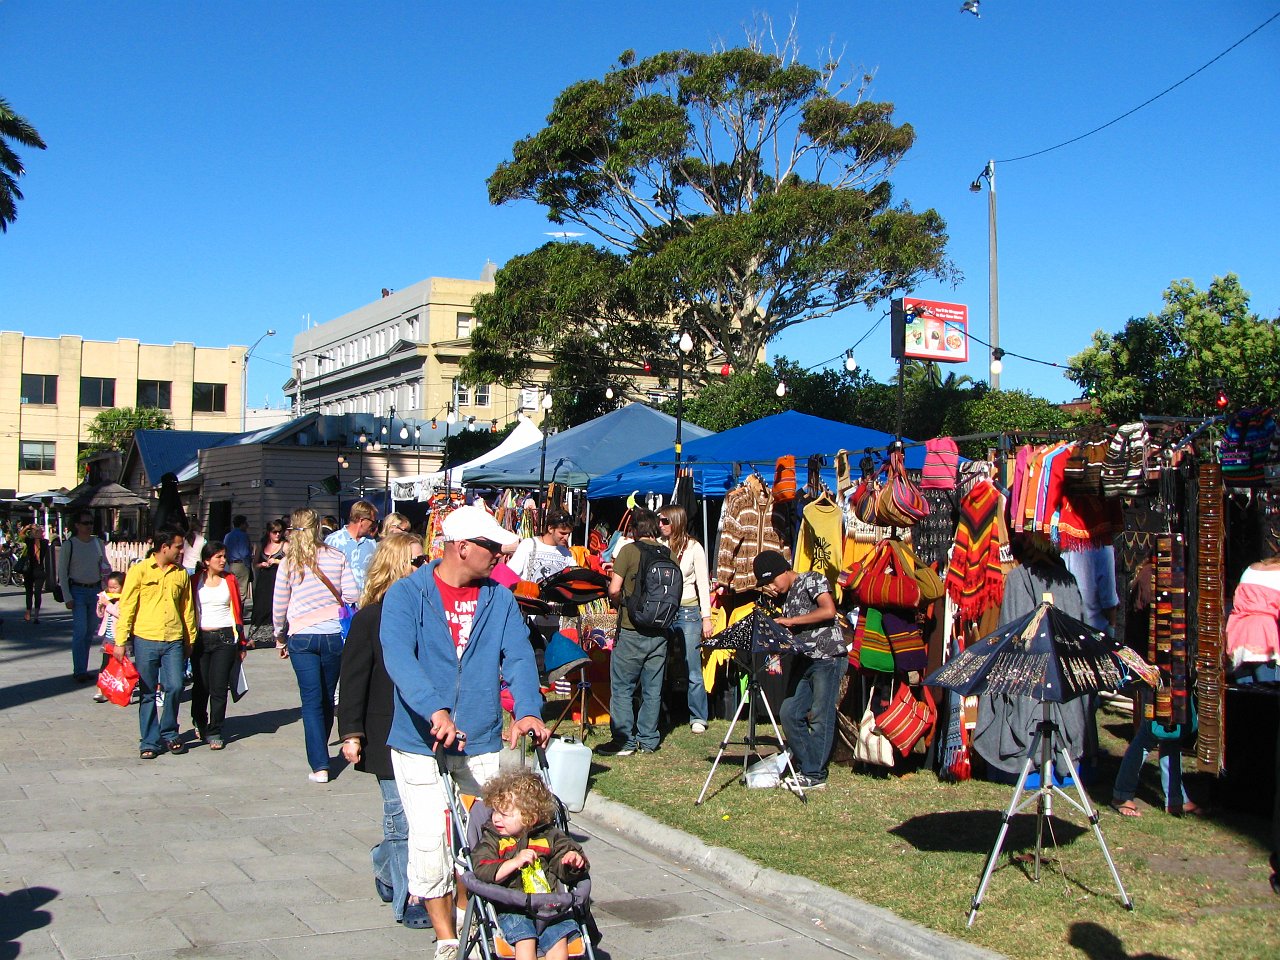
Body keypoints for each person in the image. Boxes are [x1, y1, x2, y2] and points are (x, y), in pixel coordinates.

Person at [380, 504, 548, 960]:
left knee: (482, 838)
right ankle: (446, 937)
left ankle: (472, 916)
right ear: (462, 548)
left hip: (481, 735)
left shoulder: (500, 598)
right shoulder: (406, 596)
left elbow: (517, 657)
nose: (499, 555)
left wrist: (528, 710)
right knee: (432, 839)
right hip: (419, 741)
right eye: (491, 548)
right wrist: (434, 710)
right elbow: (399, 659)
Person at [338, 531, 425, 927]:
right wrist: (351, 732)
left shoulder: (428, 613)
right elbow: (353, 680)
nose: (426, 568)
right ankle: (409, 901)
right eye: (417, 561)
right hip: (384, 732)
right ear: (396, 565)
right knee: (400, 817)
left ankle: (384, 861)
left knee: (418, 818)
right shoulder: (369, 618)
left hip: (424, 731)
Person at [274, 507, 358, 782]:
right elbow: (352, 593)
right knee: (326, 696)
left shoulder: (289, 562)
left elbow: (279, 603)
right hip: (333, 634)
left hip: (302, 635)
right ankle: (321, 749)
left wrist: (279, 635)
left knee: (310, 700)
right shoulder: (336, 556)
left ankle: (319, 764)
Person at [754, 550, 847, 792]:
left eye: (772, 580)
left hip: (827, 657)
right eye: (766, 585)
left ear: (784, 570)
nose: (772, 587)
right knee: (789, 712)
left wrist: (791, 622)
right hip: (803, 659)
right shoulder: (782, 598)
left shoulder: (812, 579)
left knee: (820, 715)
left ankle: (814, 774)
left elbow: (828, 610)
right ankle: (807, 766)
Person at [470, 770, 589, 960]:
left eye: (505, 814)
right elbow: (482, 870)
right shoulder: (493, 839)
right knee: (525, 941)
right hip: (513, 908)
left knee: (559, 941)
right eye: (495, 811)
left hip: (549, 907)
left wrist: (572, 861)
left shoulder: (549, 836)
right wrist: (513, 863)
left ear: (530, 818)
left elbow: (564, 856)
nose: (496, 818)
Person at [113, 527, 198, 760]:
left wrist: (190, 638)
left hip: (173, 639)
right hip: (146, 638)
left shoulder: (181, 574)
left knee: (175, 686)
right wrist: (120, 641)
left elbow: (187, 608)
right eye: (178, 547)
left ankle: (169, 731)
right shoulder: (139, 571)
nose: (182, 551)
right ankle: (149, 740)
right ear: (164, 547)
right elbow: (127, 606)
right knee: (148, 691)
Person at [600, 509, 670, 756]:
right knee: (652, 690)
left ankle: (623, 740)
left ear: (635, 529)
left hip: (631, 628)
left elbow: (614, 590)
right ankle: (649, 740)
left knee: (622, 688)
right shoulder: (666, 552)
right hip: (660, 631)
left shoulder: (628, 551)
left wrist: (623, 603)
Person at [658, 505, 713, 734]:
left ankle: (698, 715)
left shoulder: (694, 548)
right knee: (659, 663)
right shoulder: (658, 546)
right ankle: (660, 714)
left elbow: (703, 583)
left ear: (676, 522)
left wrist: (706, 617)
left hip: (688, 611)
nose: (660, 525)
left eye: (664, 521)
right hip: (663, 611)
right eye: (659, 520)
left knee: (692, 665)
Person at [190, 541, 248, 750]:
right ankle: (199, 719)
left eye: (224, 556)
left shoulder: (230, 580)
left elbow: (238, 611)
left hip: (225, 637)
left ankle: (215, 729)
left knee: (219, 686)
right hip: (201, 637)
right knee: (201, 685)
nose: (223, 560)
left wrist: (241, 643)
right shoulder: (195, 580)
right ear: (207, 561)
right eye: (218, 557)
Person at [508, 509, 575, 650]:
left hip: (555, 620)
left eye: (568, 534)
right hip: (528, 619)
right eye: (562, 533)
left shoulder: (566, 553)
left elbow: (574, 578)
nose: (566, 538)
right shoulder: (529, 545)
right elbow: (510, 576)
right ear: (550, 528)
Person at [57, 512, 109, 682]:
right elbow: (62, 573)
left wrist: (107, 591)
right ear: (77, 525)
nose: (89, 526)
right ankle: (79, 670)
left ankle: (83, 668)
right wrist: (67, 597)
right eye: (85, 522)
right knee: (80, 631)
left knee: (89, 633)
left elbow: (105, 567)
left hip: (95, 591)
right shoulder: (69, 545)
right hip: (77, 591)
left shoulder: (97, 543)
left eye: (91, 523)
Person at [326, 500, 379, 593]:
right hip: (341, 603)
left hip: (365, 602)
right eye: (373, 522)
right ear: (361, 520)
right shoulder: (333, 541)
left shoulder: (371, 542)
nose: (374, 525)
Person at [91, 570, 127, 703]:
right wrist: (100, 605)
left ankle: (121, 689)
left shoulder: (124, 599)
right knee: (104, 663)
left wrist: (109, 604)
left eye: (115, 587)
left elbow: (122, 615)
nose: (112, 589)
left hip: (121, 638)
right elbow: (100, 616)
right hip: (108, 637)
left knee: (121, 664)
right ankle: (100, 690)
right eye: (110, 587)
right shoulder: (108, 597)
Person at [251, 519, 286, 636]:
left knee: (275, 605)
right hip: (264, 579)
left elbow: (291, 563)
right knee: (261, 606)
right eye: (274, 532)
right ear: (268, 532)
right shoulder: (261, 545)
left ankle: (277, 634)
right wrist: (262, 564)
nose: (277, 534)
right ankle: (257, 635)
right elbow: (255, 564)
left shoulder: (285, 545)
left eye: (279, 532)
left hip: (278, 578)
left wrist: (277, 561)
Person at [18, 524, 53, 624]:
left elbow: (21, 534)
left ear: (33, 532)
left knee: (29, 593)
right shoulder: (45, 543)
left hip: (29, 571)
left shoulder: (29, 541)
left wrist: (27, 527)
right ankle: (36, 616)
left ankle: (28, 614)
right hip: (40, 571)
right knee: (38, 594)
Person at [223, 515, 254, 608]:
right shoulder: (243, 535)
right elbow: (244, 552)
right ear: (242, 524)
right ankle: (238, 614)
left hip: (231, 564)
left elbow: (225, 549)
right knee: (241, 592)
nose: (247, 526)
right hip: (241, 565)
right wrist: (248, 564)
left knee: (232, 590)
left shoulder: (228, 536)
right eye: (246, 523)